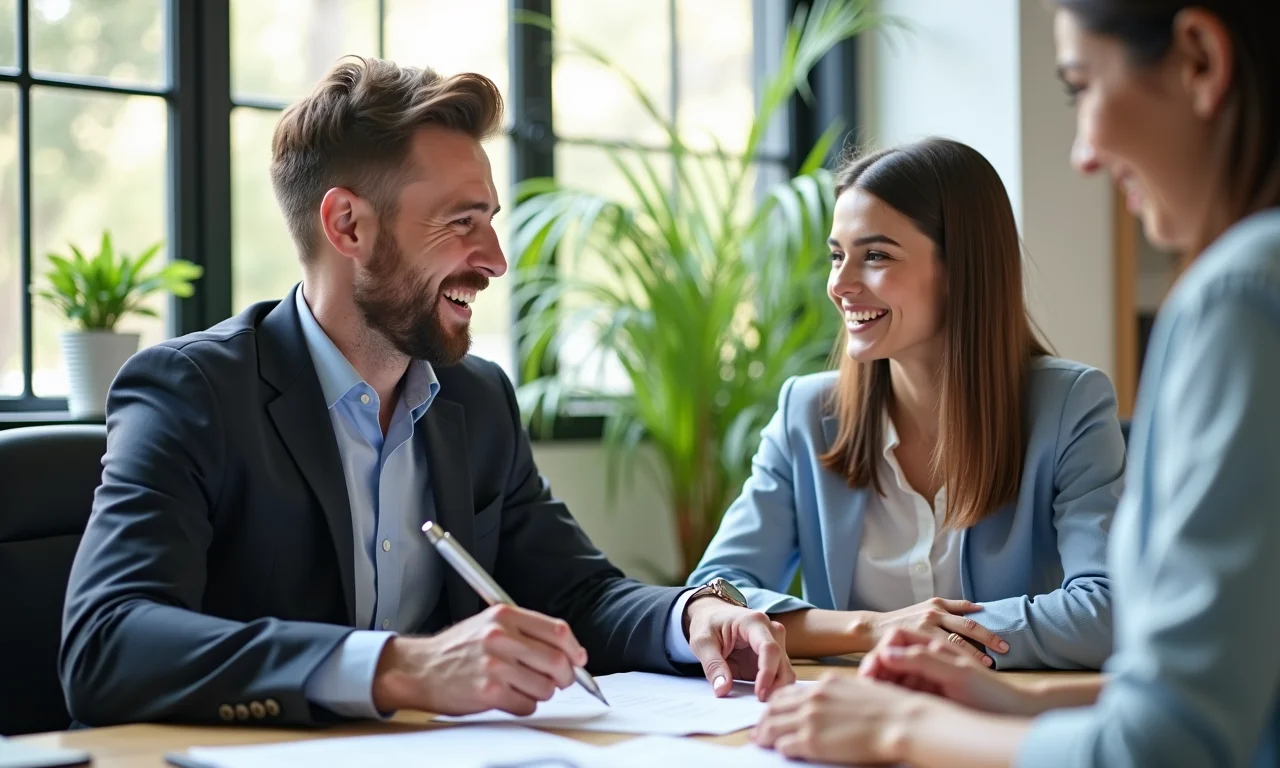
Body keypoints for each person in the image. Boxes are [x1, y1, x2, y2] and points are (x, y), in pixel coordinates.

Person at [57, 56, 794, 728]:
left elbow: (578, 594)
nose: (497, 261)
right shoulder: (193, 391)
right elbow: (106, 642)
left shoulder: (475, 400)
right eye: (460, 223)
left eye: (491, 224)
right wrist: (397, 667)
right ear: (347, 224)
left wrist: (692, 613)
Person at [753, 1, 1280, 765]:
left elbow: (1173, 734)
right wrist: (994, 692)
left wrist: (898, 728)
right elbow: (1229, 678)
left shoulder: (1237, 294)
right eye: (837, 255)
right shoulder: (810, 409)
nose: (1084, 154)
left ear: (1199, 59)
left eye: (1080, 87)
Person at [686, 136, 1125, 671]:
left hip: (998, 725)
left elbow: (1107, 609)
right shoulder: (807, 414)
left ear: (960, 268)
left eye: (875, 256)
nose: (840, 284)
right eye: (836, 256)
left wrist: (934, 637)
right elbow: (716, 597)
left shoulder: (1068, 406)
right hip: (848, 722)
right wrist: (873, 629)